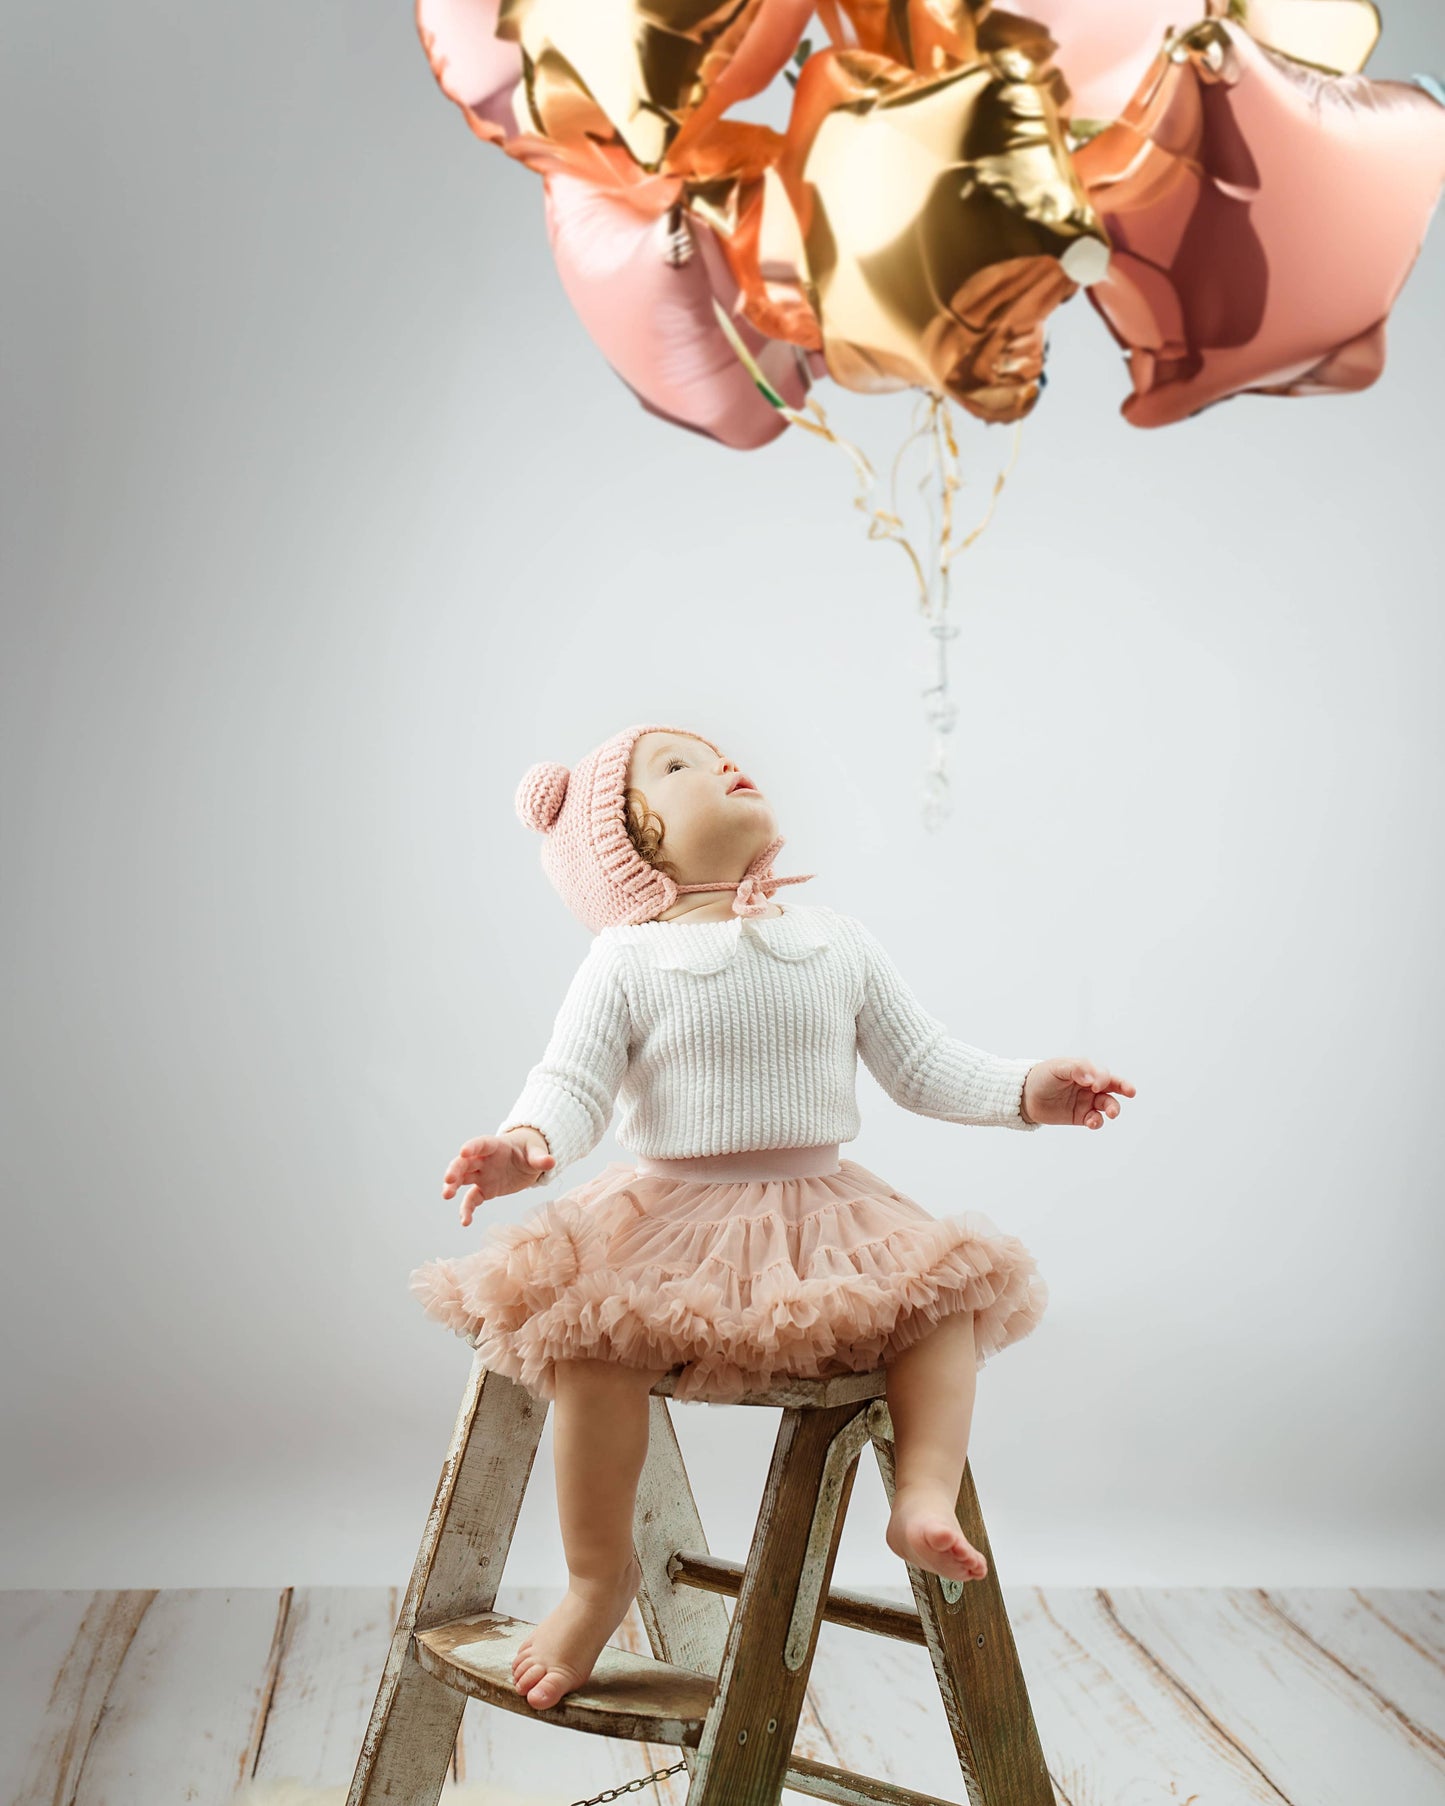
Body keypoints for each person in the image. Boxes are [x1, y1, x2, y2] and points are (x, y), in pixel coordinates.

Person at [410, 721, 1136, 1713]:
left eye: (712, 752)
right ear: (636, 849)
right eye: (677, 768)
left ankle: (921, 1493)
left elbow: (922, 1063)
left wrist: (1031, 1090)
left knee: (941, 1304)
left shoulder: (833, 939)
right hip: (666, 1215)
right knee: (589, 1351)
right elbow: (568, 1084)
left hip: (822, 1211)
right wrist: (524, 1146)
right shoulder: (626, 958)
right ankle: (596, 1578)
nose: (719, 763)